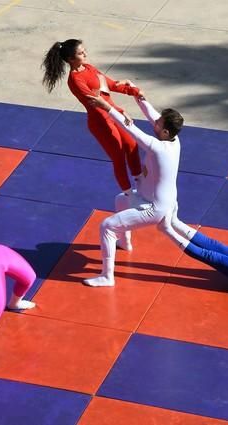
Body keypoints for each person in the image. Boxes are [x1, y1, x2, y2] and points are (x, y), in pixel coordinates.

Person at [83, 92, 184, 287]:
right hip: (156, 199)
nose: (155, 122)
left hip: (154, 208)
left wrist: (107, 107)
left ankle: (107, 276)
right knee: (121, 200)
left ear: (165, 132)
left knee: (107, 226)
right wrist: (139, 96)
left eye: (159, 123)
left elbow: (129, 128)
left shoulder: (157, 147)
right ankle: (125, 242)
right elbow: (152, 116)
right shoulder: (174, 140)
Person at [42, 39, 143, 195]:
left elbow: (109, 85)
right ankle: (129, 195)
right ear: (70, 59)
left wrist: (133, 91)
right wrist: (121, 111)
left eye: (84, 50)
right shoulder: (75, 80)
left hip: (112, 114)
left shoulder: (88, 68)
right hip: (101, 122)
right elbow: (98, 102)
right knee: (119, 157)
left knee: (131, 145)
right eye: (81, 53)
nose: (85, 54)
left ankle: (141, 183)